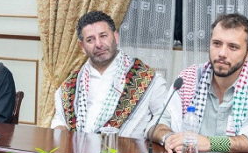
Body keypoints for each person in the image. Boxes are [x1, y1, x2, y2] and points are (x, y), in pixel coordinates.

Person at [150, 13, 248, 153]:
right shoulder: (189, 78)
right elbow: (156, 125)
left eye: (233, 47)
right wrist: (170, 139)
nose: (222, 53)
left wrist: (211, 143)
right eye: (217, 44)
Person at [51, 11, 168, 140]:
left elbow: (163, 117)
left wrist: (163, 135)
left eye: (103, 36)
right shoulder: (70, 85)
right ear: (82, 46)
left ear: (116, 37)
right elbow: (60, 120)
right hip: (76, 150)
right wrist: (60, 135)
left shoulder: (146, 78)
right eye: (90, 40)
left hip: (127, 152)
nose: (98, 44)